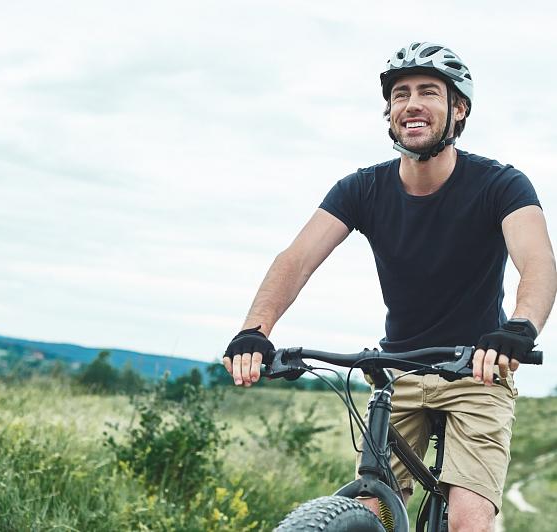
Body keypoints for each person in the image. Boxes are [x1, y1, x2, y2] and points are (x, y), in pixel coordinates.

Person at [223, 42, 557, 532]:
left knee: (468, 521)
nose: (411, 104)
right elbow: (295, 260)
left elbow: (538, 262)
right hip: (397, 370)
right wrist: (254, 329)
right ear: (389, 112)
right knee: (371, 510)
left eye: (428, 92)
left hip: (477, 370)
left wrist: (519, 328)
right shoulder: (361, 189)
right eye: (400, 94)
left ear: (458, 109)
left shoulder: (500, 184)